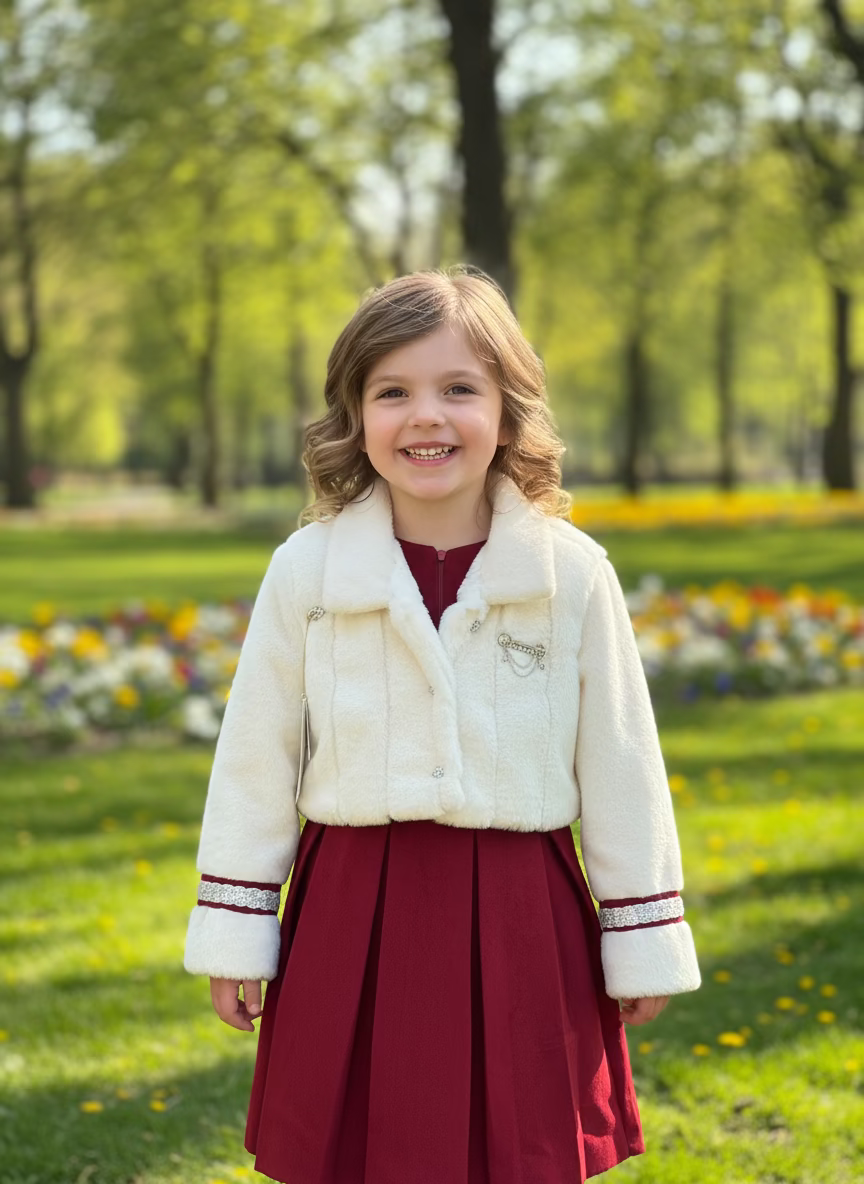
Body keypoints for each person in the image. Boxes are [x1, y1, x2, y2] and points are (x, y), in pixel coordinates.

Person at [183, 265, 701, 1184]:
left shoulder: (570, 573)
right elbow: (255, 757)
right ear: (354, 416)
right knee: (353, 1152)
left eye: (460, 388)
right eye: (394, 392)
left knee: (523, 1148)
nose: (427, 416)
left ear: (509, 409)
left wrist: (642, 931)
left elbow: (623, 759)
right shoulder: (307, 571)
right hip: (352, 907)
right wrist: (236, 924)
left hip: (522, 912)